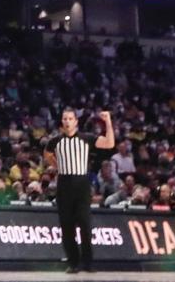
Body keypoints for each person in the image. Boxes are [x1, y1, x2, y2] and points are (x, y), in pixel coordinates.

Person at [44, 109, 115, 273]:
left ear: (76, 121)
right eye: (64, 119)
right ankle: (73, 263)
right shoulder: (55, 141)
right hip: (64, 184)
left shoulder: (86, 138)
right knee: (67, 226)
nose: (67, 121)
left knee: (85, 224)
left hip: (81, 183)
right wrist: (57, 166)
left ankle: (88, 263)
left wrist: (108, 122)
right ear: (62, 122)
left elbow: (110, 143)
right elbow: (47, 154)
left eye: (70, 118)